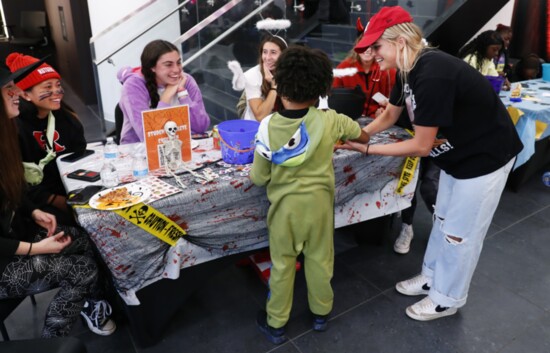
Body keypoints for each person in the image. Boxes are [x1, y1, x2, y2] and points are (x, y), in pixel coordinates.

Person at [343, 6, 522, 321]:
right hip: (456, 155)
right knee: (442, 220)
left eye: (376, 46)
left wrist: (368, 149)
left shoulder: (432, 73)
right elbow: (390, 114)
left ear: (399, 42)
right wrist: (360, 135)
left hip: (484, 157)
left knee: (460, 234)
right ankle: (431, 278)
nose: (372, 54)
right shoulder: (407, 70)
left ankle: (447, 298)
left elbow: (422, 145)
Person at [250, 45, 370, 344]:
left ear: (281, 85)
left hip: (284, 212)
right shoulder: (331, 120)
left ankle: (276, 323)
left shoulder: (267, 127)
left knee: (282, 264)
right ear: (320, 88)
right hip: (319, 208)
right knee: (320, 260)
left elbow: (259, 177)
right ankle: (321, 313)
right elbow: (363, 135)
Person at [0, 58, 116, 337]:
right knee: (82, 268)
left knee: (84, 238)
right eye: (8, 90)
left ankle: (94, 303)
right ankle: (54, 340)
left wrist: (33, 212)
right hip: (5, 258)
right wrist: (37, 248)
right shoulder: (17, 132)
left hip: (17, 234)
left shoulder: (5, 138)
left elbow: (12, 194)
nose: (15, 94)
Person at [5, 53, 86, 225]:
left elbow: (81, 157)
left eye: (58, 85)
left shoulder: (68, 119)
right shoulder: (14, 129)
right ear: (25, 94)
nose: (56, 91)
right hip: (34, 204)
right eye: (47, 87)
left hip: (71, 190)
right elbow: (18, 184)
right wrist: (58, 201)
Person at [118, 39, 210, 144]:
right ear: (152, 67)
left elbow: (201, 127)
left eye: (178, 63)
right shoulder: (133, 86)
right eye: (168, 64)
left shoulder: (186, 80)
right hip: (138, 151)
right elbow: (149, 137)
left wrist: (182, 94)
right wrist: (166, 97)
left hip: (181, 145)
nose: (176, 70)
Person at [333, 19, 396, 118]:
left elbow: (394, 102)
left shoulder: (388, 70)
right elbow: (334, 99)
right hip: (349, 119)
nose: (368, 50)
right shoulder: (344, 68)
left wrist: (383, 111)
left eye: (373, 46)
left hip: (379, 121)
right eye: (364, 45)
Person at [242, 35, 288, 121]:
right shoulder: (252, 75)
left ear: (284, 55)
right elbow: (260, 116)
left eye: (273, 52)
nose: (267, 57)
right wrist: (274, 86)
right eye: (265, 52)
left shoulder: (290, 73)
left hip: (283, 124)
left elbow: (291, 108)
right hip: (257, 128)